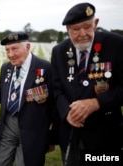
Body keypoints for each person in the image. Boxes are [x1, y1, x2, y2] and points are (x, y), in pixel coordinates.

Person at [51, 2, 123, 166]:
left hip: (106, 136)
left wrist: (97, 102)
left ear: (96, 23)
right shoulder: (59, 51)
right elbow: (56, 90)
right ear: (68, 29)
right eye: (76, 29)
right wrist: (66, 112)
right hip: (70, 135)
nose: (83, 33)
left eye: (87, 26)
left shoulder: (117, 44)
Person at [0, 32, 54, 166]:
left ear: (27, 47)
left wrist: (51, 137)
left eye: (15, 49)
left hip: (32, 130)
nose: (10, 54)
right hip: (8, 125)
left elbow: (53, 105)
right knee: (1, 162)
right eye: (7, 50)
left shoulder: (45, 67)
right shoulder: (6, 68)